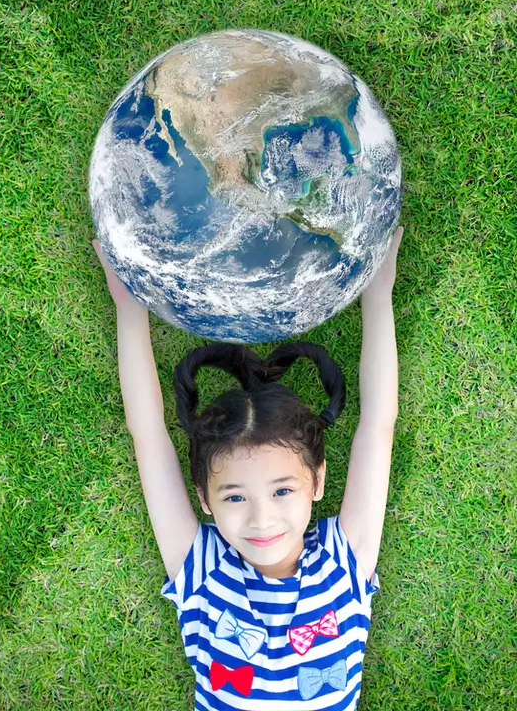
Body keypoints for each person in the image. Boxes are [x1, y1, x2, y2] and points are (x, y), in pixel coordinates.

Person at [93, 226, 402, 709]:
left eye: (282, 491)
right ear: (204, 499)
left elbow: (379, 428)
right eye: (235, 496)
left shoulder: (346, 560)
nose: (261, 519)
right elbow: (149, 438)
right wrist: (129, 310)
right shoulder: (201, 569)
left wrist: (377, 292)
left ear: (317, 480)